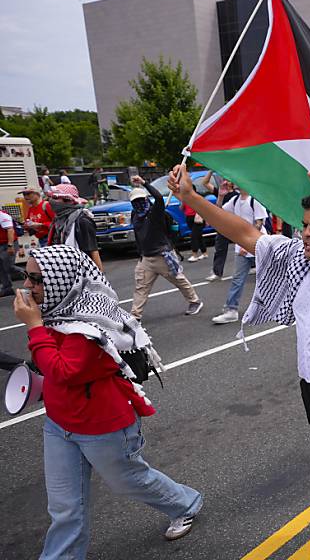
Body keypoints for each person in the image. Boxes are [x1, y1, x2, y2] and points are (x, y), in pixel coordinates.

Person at [170, 149, 310, 558]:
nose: (307, 233)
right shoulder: (299, 259)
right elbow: (244, 233)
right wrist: (190, 196)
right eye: (305, 225)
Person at [16, 245, 203, 559]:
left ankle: (186, 503)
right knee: (64, 509)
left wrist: (34, 327)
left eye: (37, 279)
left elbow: (64, 371)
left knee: (131, 479)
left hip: (104, 425)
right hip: (60, 423)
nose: (28, 287)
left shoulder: (89, 326)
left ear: (64, 281)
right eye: (26, 277)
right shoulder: (55, 313)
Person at [127, 175, 203, 319]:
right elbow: (139, 235)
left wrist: (144, 183)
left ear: (146, 199)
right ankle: (135, 315)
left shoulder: (155, 212)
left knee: (179, 280)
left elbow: (159, 198)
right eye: (135, 201)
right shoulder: (135, 215)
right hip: (146, 258)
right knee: (141, 288)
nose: (139, 203)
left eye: (140, 200)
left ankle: (195, 301)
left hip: (163, 255)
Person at [211, 187, 268, 324]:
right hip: (242, 246)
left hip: (260, 245)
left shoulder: (255, 200)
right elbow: (218, 212)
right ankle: (231, 310)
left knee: (269, 276)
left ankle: (277, 302)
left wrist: (246, 244)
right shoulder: (235, 200)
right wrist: (220, 196)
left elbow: (259, 224)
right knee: (237, 278)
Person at [47, 184, 102, 272]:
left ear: (68, 201)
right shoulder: (59, 220)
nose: (51, 201)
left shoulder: (82, 221)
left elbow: (93, 251)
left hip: (82, 271)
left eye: (55, 198)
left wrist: (100, 277)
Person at [205, 174, 236, 282]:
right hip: (223, 225)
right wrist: (210, 170)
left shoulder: (237, 195)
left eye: (228, 180)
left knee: (247, 246)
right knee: (220, 249)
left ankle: (255, 265)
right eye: (224, 180)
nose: (226, 182)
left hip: (236, 225)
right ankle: (217, 272)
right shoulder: (220, 192)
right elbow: (205, 183)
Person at [185, 176, 216, 262]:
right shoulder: (185, 198)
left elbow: (203, 209)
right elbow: (182, 208)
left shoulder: (197, 198)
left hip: (198, 219)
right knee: (198, 236)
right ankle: (204, 253)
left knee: (194, 236)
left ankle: (194, 254)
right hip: (189, 218)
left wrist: (206, 220)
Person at [0, 208, 16, 297]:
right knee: (1, 268)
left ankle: (29, 275)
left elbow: (10, 230)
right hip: (1, 244)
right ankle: (7, 289)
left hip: (6, 244)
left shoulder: (2, 215)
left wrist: (10, 245)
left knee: (9, 267)